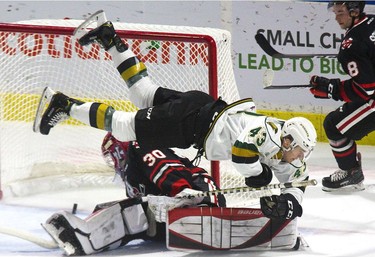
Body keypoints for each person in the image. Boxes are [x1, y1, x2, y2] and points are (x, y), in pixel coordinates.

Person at [35, 14, 317, 232]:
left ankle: (110, 38)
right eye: (300, 150)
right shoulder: (268, 131)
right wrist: (262, 177)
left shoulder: (287, 152)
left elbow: (298, 181)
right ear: (288, 139)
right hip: (191, 123)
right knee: (123, 126)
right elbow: (243, 155)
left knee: (142, 92)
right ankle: (64, 105)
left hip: (199, 108)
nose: (300, 157)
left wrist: (290, 202)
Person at [43, 132, 226, 256]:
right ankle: (88, 236)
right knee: (123, 212)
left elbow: (164, 168)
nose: (112, 162)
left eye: (111, 156)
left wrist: (182, 191)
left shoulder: (139, 147)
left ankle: (86, 236)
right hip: (172, 216)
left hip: (201, 196)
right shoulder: (131, 178)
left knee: (132, 211)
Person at [309, 1, 369, 192]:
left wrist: (332, 89)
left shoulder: (351, 45)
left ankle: (350, 172)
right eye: (335, 13)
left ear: (354, 11)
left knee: (333, 125)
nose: (336, 18)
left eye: (340, 12)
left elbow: (366, 89)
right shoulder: (371, 23)